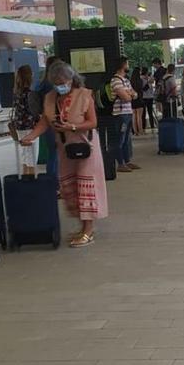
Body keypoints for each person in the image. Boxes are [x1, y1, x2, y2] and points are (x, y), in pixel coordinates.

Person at [44, 62, 106, 248]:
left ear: (72, 79)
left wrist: (72, 126)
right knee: (71, 186)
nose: (59, 85)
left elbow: (93, 122)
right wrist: (29, 137)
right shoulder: (51, 98)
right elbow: (44, 121)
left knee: (86, 185)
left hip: (86, 147)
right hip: (65, 148)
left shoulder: (85, 95)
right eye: (55, 82)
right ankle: (83, 227)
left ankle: (88, 230)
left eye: (62, 81)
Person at [108, 58, 139, 172]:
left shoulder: (125, 80)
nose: (128, 66)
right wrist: (129, 94)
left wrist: (130, 94)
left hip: (128, 112)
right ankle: (120, 163)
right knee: (120, 139)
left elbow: (135, 94)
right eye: (127, 63)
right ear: (123, 65)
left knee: (126, 139)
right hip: (120, 114)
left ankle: (127, 161)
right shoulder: (116, 80)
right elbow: (126, 97)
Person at [10, 64, 41, 176]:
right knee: (32, 156)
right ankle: (31, 178)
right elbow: (35, 112)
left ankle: (24, 176)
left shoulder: (16, 93)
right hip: (31, 128)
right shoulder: (30, 94)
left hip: (19, 127)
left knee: (25, 155)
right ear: (29, 77)